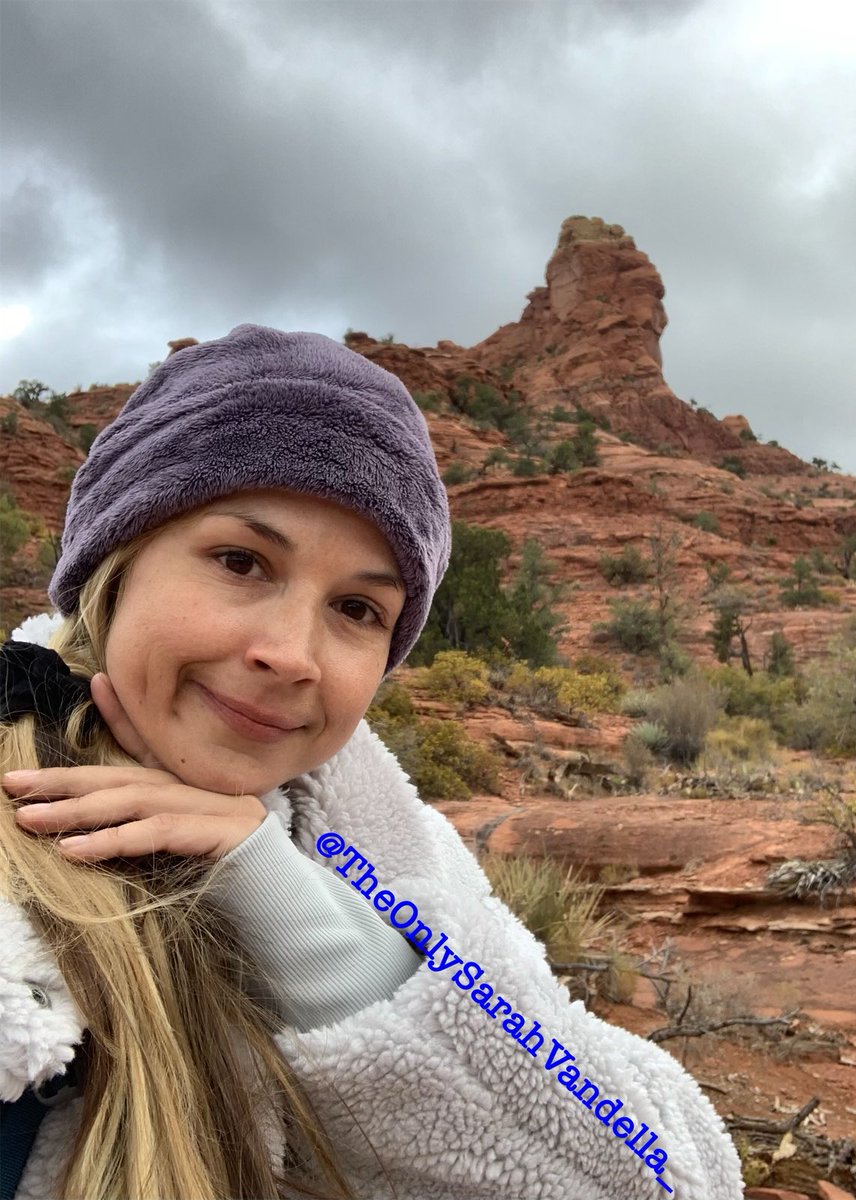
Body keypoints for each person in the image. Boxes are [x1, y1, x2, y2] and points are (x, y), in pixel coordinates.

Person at [0, 325, 744, 1200]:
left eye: (357, 609)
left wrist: (313, 931)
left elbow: (671, 1172)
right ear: (113, 563)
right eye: (241, 561)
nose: (292, 654)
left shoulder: (380, 840)